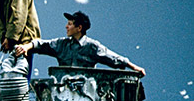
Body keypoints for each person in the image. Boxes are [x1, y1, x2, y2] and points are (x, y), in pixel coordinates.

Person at [14, 11, 145, 77]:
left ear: (79, 28)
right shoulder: (62, 44)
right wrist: (26, 46)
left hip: (84, 94)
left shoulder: (92, 47)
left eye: (70, 24)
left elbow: (113, 58)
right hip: (62, 93)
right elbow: (42, 44)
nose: (66, 27)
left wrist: (134, 67)